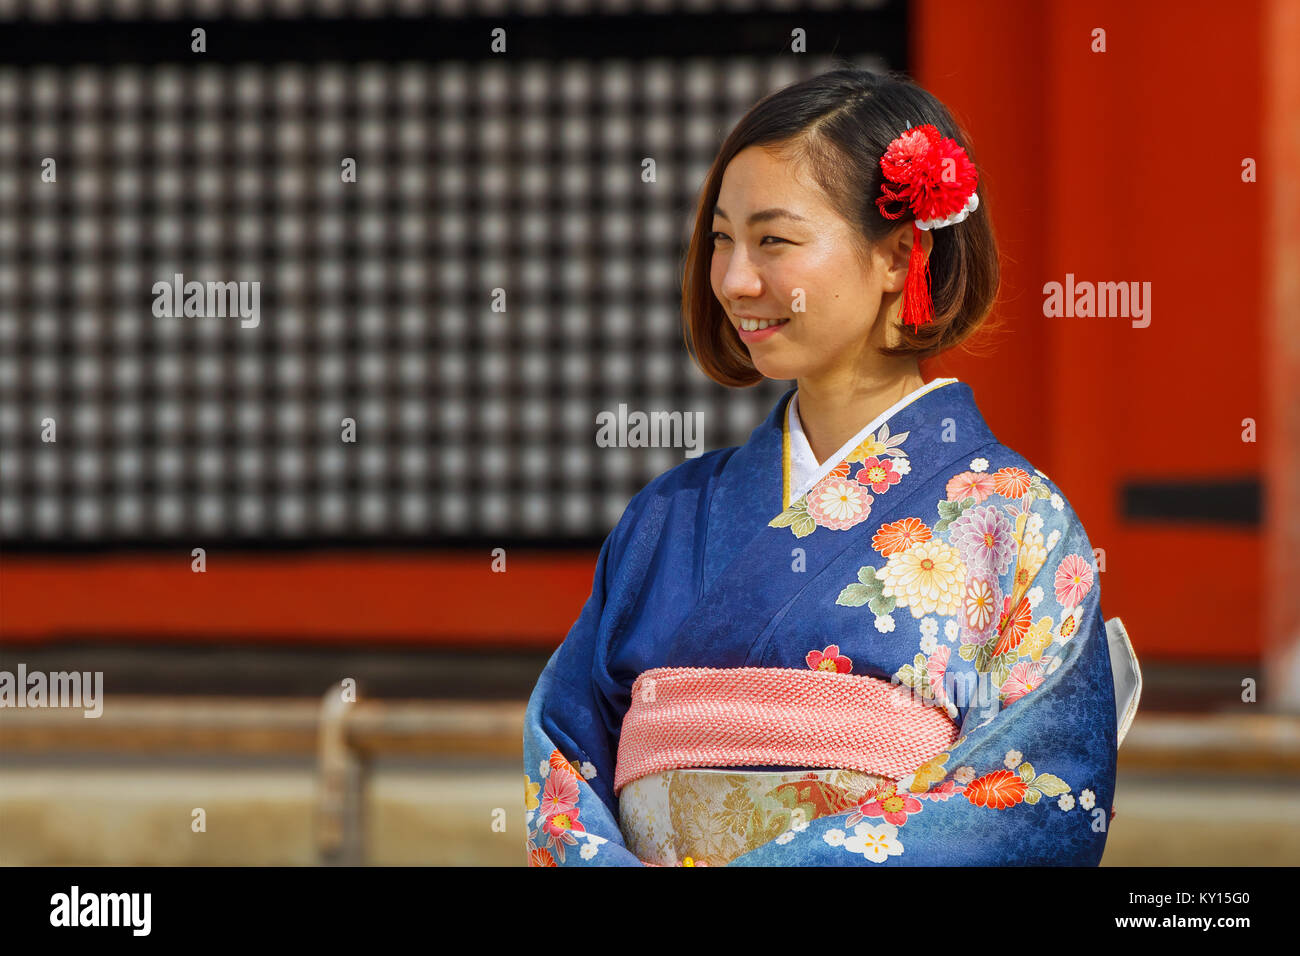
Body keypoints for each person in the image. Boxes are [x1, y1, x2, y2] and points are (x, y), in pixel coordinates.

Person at [522, 68, 1140, 867]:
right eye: (720, 240)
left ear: (897, 255)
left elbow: (1035, 794)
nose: (736, 281)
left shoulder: (1015, 519)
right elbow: (566, 752)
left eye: (773, 241)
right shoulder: (666, 517)